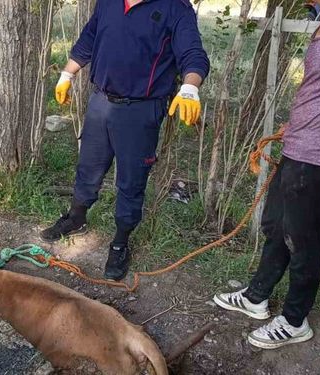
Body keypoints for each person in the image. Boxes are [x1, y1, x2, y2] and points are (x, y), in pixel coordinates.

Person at [213, 0, 320, 349]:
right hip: (299, 147)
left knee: (304, 242)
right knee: (276, 227)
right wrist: (299, 123)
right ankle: (256, 297)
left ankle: (293, 320)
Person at [40, 0, 210, 281]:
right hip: (101, 101)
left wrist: (190, 87)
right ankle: (76, 217)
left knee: (131, 181)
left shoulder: (175, 8)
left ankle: (120, 242)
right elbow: (89, 38)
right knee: (88, 168)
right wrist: (67, 73)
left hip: (141, 109)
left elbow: (193, 55)